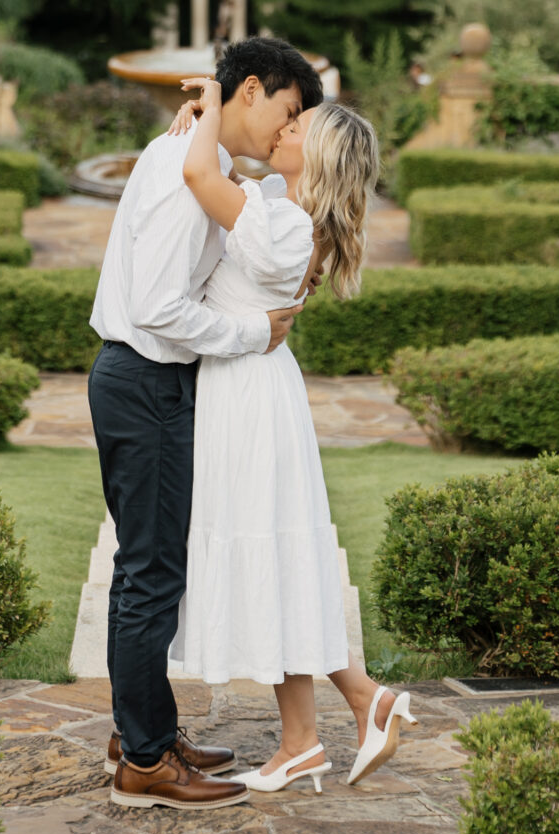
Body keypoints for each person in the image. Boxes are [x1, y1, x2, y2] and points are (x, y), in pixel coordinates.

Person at [88, 34, 324, 811]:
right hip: (146, 379)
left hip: (147, 381)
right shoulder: (189, 168)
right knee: (149, 575)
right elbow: (160, 308)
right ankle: (147, 762)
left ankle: (143, 729)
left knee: (154, 566)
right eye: (286, 112)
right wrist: (253, 334)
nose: (284, 133)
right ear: (250, 91)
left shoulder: (197, 159)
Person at [168, 84, 418, 792]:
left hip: (248, 395)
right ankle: (317, 730)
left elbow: (196, 175)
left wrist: (212, 102)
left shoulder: (281, 225)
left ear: (318, 154)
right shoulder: (282, 212)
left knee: (271, 554)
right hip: (249, 386)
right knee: (277, 558)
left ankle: (334, 719)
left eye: (296, 123)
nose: (281, 125)